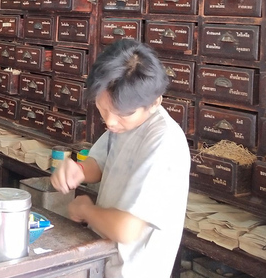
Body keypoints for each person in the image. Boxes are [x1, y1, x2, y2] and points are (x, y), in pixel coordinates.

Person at [51, 40, 190, 278]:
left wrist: (86, 210)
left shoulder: (163, 142)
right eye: (104, 109)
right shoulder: (125, 124)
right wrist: (80, 170)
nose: (111, 122)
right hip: (104, 261)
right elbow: (102, 164)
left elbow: (127, 228)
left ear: (155, 101)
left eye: (123, 114)